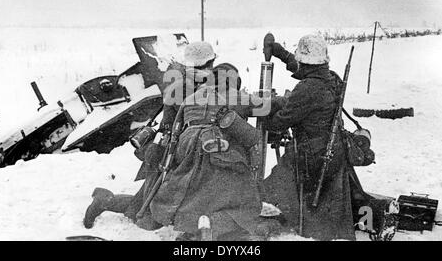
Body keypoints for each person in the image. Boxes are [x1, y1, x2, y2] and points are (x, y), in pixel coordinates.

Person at [83, 41, 217, 229]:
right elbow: (175, 122)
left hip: (187, 150)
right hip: (171, 152)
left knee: (156, 206)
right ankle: (104, 200)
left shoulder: (201, 83)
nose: (208, 70)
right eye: (205, 66)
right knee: (147, 215)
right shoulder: (182, 88)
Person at [262, 34, 380, 240]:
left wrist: (271, 108)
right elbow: (301, 70)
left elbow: (280, 122)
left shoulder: (307, 88)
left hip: (311, 156)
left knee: (271, 188)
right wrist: (281, 54)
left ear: (306, 62)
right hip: (333, 149)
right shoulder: (330, 77)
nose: (298, 63)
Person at [148, 63, 276, 241]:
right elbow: (266, 107)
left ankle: (193, 225)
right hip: (216, 151)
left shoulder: (191, 97)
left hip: (187, 148)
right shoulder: (235, 96)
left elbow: (176, 128)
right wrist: (278, 98)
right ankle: (217, 225)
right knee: (244, 197)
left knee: (190, 188)